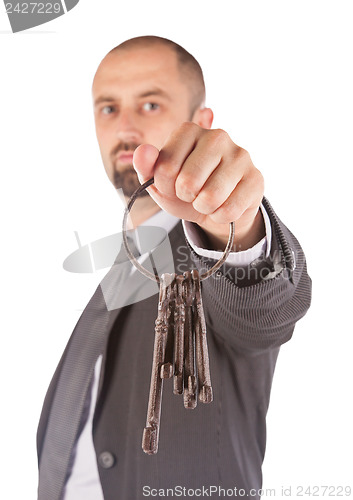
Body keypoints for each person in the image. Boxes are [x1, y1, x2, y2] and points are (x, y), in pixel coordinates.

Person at [37, 36, 311, 500]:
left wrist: (236, 226)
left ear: (200, 124)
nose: (124, 127)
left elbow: (265, 311)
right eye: (108, 108)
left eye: (149, 104)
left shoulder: (209, 248)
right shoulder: (125, 264)